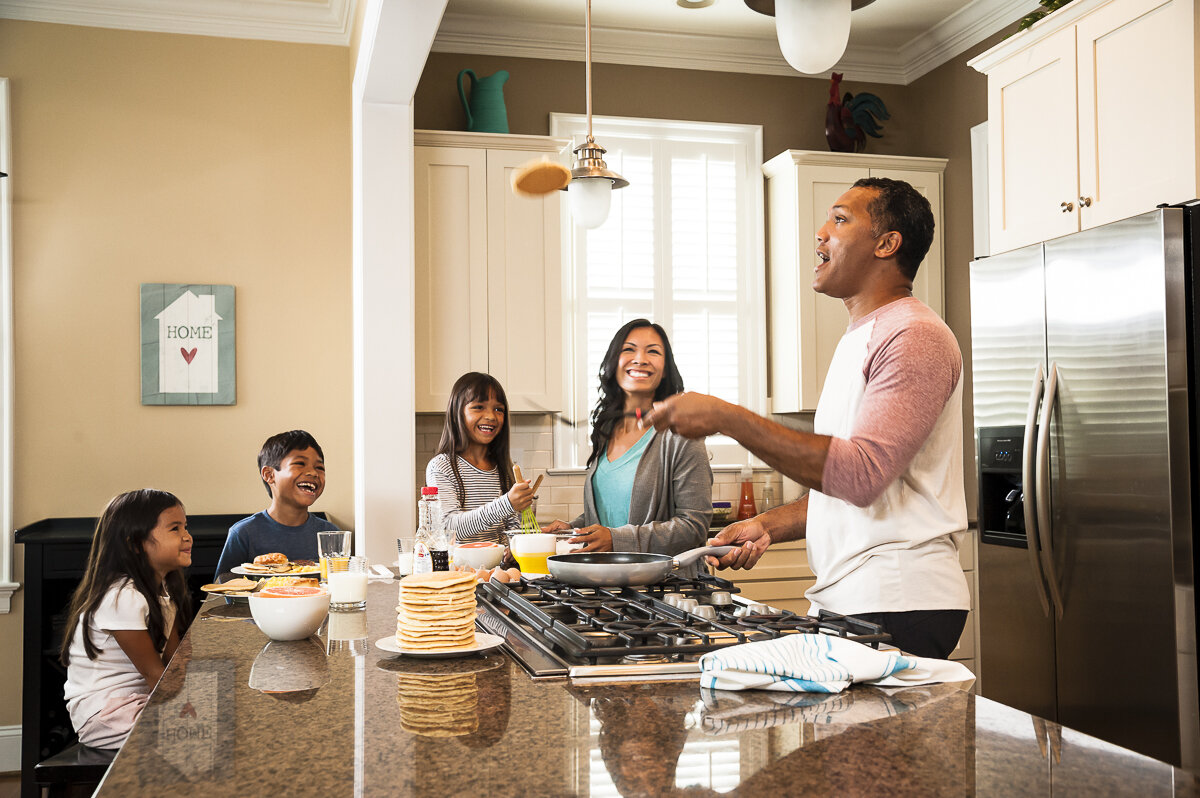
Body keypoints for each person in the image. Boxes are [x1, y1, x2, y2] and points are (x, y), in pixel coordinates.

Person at [646, 178, 969, 659]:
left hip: (898, 598)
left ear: (887, 243)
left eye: (840, 219)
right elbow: (857, 489)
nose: (821, 233)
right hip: (856, 597)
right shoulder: (862, 335)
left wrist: (726, 417)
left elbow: (860, 476)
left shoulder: (915, 336)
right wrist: (769, 525)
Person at [544, 319, 712, 574]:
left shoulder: (682, 434)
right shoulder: (606, 430)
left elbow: (694, 526)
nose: (641, 359)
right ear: (614, 363)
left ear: (665, 369)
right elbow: (611, 515)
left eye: (653, 351)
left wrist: (616, 538)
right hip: (611, 587)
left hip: (669, 592)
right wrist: (573, 530)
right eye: (629, 349)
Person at [61, 489, 193, 749]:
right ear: (135, 544)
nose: (188, 536)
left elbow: (175, 665)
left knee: (221, 715)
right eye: (175, 529)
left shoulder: (163, 593)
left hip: (142, 700)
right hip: (106, 715)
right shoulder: (122, 598)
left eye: (186, 527)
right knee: (211, 728)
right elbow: (158, 676)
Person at [426, 372, 534, 544]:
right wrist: (507, 503)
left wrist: (515, 544)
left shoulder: (503, 468)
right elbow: (448, 528)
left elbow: (511, 529)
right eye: (478, 407)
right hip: (460, 570)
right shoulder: (441, 466)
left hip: (497, 569)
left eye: (498, 409)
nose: (491, 416)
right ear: (457, 413)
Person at [215, 429, 338, 576]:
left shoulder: (331, 534)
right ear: (269, 475)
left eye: (319, 467)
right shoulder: (244, 533)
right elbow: (225, 590)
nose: (313, 473)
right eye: (300, 463)